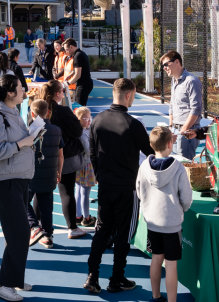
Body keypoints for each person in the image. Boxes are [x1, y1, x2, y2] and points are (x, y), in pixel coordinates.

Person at [85, 78, 155, 294]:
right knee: (124, 234)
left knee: (102, 230)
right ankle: (116, 279)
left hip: (105, 185)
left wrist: (99, 175)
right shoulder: (133, 124)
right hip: (127, 188)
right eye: (133, 95)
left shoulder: (97, 120)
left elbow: (93, 153)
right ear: (128, 95)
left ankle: (92, 275)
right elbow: (151, 153)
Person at [0, 74, 38, 301]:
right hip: (7, 181)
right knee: (19, 233)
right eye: (20, 88)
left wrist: (33, 134)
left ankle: (14, 278)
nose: (24, 91)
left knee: (18, 233)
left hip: (19, 177)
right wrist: (21, 143)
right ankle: (3, 283)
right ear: (10, 93)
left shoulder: (13, 113)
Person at [137, 126, 193, 302]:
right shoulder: (178, 168)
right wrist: (181, 209)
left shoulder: (144, 166)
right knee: (171, 264)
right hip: (171, 224)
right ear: (170, 144)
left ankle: (155, 295)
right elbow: (186, 197)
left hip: (152, 221)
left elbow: (139, 191)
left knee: (156, 258)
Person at [37, 80, 86, 239]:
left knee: (41, 191)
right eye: (63, 91)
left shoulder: (39, 110)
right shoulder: (63, 111)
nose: (65, 94)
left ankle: (37, 225)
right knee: (66, 193)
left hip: (43, 156)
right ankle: (72, 228)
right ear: (57, 94)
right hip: (65, 156)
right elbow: (77, 131)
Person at [26, 98, 63, 249]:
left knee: (23, 200)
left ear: (32, 114)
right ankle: (48, 235)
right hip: (50, 173)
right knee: (47, 206)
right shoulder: (57, 130)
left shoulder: (30, 131)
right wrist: (59, 171)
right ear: (48, 112)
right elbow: (61, 155)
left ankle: (34, 227)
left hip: (32, 174)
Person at [161, 50, 203, 160]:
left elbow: (196, 109)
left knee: (185, 166)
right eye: (163, 66)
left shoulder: (191, 81)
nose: (164, 68)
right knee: (175, 164)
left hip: (187, 132)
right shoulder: (174, 80)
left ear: (177, 62)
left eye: (166, 64)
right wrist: (170, 128)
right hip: (175, 130)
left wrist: (183, 131)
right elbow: (172, 105)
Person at [74, 107, 96, 227]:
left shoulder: (83, 130)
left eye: (90, 118)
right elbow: (88, 150)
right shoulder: (82, 133)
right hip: (86, 165)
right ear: (79, 119)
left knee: (79, 190)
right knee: (85, 192)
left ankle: (78, 215)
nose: (89, 121)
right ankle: (87, 218)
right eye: (86, 118)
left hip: (81, 164)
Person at [63, 39, 93, 106]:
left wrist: (67, 83)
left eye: (66, 49)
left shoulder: (77, 56)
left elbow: (77, 75)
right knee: (81, 105)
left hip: (83, 84)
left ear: (71, 47)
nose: (66, 51)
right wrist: (70, 75)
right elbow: (76, 69)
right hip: (86, 83)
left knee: (80, 107)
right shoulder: (80, 53)